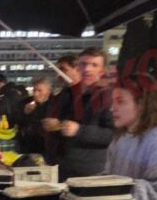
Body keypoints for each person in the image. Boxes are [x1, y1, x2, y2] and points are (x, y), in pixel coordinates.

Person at [42, 47, 114, 180]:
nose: (87, 69)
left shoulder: (107, 96)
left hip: (90, 173)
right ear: (78, 67)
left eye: (94, 65)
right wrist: (56, 125)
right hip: (61, 168)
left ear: (102, 71)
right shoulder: (67, 94)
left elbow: (113, 135)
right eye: (83, 64)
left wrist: (79, 130)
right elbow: (65, 125)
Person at [18, 76, 54, 155]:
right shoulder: (25, 103)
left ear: (48, 91)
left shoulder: (55, 105)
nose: (36, 94)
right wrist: (25, 113)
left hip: (47, 148)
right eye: (34, 90)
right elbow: (18, 124)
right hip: (28, 147)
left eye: (39, 91)